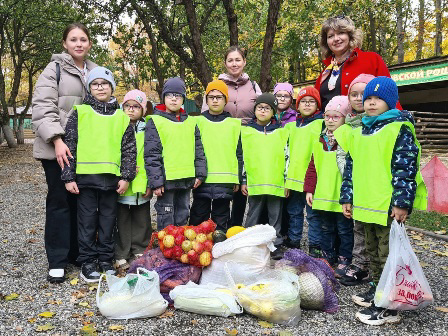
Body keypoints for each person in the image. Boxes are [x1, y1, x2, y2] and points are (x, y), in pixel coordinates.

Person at [340, 77, 427, 325]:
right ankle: (378, 290)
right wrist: (348, 197)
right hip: (366, 205)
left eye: (377, 98)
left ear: (390, 102)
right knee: (372, 253)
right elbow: (351, 167)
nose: (370, 103)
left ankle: (390, 306)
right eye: (367, 98)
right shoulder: (361, 131)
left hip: (387, 207)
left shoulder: (399, 129)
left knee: (388, 255)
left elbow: (405, 169)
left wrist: (402, 202)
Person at [32, 23, 97, 283]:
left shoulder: (95, 71)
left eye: (83, 39)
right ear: (65, 44)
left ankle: (77, 253)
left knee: (82, 203)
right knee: (59, 202)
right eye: (73, 39)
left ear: (89, 43)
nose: (79, 44)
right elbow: (43, 106)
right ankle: (57, 260)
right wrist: (57, 139)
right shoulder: (54, 70)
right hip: (57, 149)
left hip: (88, 151)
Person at [62, 67, 137, 282]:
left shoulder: (122, 117)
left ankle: (105, 259)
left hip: (111, 181)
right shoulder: (80, 112)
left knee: (108, 221)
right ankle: (87, 261)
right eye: (95, 84)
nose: (100, 87)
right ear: (89, 88)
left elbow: (129, 150)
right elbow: (70, 145)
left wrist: (126, 177)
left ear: (112, 87)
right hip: (85, 180)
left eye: (104, 83)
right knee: (87, 222)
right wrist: (69, 177)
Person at [202, 46, 262, 227]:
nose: (234, 64)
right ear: (225, 63)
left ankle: (235, 227)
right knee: (224, 184)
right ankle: (215, 226)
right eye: (230, 60)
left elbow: (261, 110)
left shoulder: (253, 86)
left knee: (242, 184)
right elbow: (206, 113)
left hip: (248, 138)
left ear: (244, 62)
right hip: (224, 140)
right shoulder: (217, 86)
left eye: (238, 60)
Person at [145, 77, 207, 230]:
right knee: (166, 217)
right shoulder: (155, 121)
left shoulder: (191, 122)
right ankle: (164, 251)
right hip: (166, 182)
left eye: (178, 95)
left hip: (186, 179)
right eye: (169, 95)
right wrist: (156, 182)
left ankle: (179, 250)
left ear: (183, 99)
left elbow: (198, 149)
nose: (174, 99)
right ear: (163, 97)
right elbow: (152, 154)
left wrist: (200, 174)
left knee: (182, 214)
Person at [334, 74, 375, 285]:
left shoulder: (375, 124)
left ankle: (373, 268)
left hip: (374, 184)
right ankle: (360, 265)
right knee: (358, 226)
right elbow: (343, 155)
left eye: (364, 94)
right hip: (354, 182)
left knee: (374, 229)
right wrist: (349, 177)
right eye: (354, 94)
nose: (359, 99)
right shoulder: (347, 125)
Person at [304, 96, 353, 273]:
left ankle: (345, 257)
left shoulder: (348, 137)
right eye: (327, 116)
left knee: (344, 229)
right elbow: (313, 165)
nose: (330, 121)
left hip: (341, 194)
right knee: (326, 228)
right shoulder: (320, 138)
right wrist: (310, 189)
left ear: (345, 118)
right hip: (324, 194)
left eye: (336, 117)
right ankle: (328, 255)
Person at [241, 93, 289, 260]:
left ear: (273, 112)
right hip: (255, 180)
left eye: (267, 108)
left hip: (276, 181)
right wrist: (244, 180)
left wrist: (286, 180)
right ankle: (248, 242)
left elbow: (287, 156)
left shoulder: (282, 132)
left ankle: (275, 244)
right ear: (255, 110)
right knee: (253, 213)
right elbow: (244, 157)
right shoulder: (246, 131)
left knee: (275, 215)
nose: (262, 110)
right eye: (259, 107)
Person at [315, 15, 398, 111]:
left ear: (350, 36)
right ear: (326, 42)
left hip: (366, 123)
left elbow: (390, 94)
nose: (336, 39)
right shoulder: (325, 73)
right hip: (330, 123)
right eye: (330, 36)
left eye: (341, 33)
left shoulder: (372, 59)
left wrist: (397, 120)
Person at [190, 80, 242, 231]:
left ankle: (219, 249)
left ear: (226, 100)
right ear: (206, 100)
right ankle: (197, 249)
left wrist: (237, 178)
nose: (215, 100)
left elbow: (238, 154)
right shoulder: (196, 121)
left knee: (221, 219)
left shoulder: (234, 124)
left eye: (219, 97)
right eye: (211, 97)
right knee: (199, 216)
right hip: (202, 179)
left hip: (225, 181)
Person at [115, 90, 152, 271]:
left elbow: (152, 156)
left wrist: (150, 181)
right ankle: (121, 251)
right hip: (123, 179)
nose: (131, 110)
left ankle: (139, 248)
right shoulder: (117, 125)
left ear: (143, 110)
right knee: (121, 216)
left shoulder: (149, 129)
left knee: (141, 217)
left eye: (136, 106)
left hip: (142, 180)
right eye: (127, 106)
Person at [284, 87, 323, 257]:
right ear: (297, 106)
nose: (307, 104)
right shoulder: (291, 127)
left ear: (317, 105)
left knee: (313, 216)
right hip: (293, 180)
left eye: (311, 101)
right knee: (294, 213)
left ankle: (315, 245)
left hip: (312, 180)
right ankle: (294, 241)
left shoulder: (321, 124)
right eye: (303, 102)